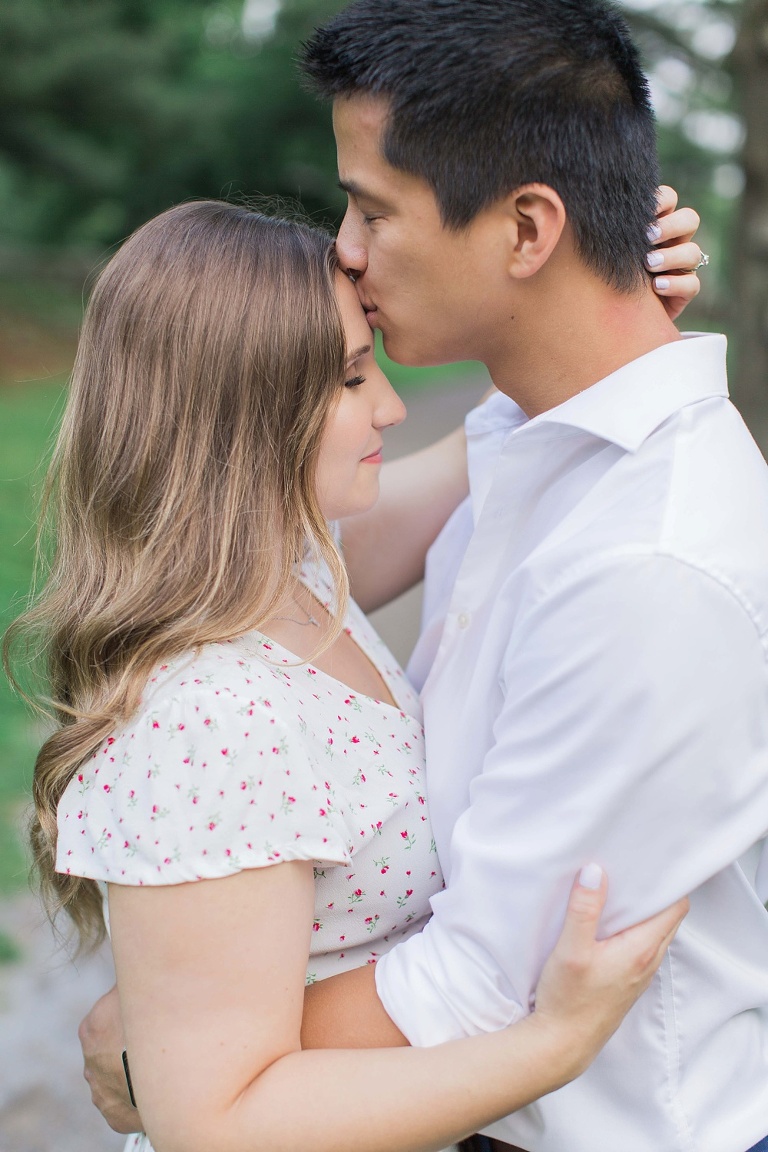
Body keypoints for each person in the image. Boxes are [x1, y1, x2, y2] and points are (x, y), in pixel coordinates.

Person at [6, 199, 691, 1152]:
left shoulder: (293, 579)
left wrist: (600, 313)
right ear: (236, 411)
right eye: (350, 377)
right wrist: (556, 1041)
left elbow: (487, 457)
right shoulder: (210, 715)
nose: (392, 406)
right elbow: (217, 1124)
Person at [281, 2, 768, 1150]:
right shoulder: (536, 438)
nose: (343, 249)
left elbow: (473, 990)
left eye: (373, 210)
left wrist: (175, 1045)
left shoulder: (649, 563)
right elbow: (292, 572)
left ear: (526, 230)